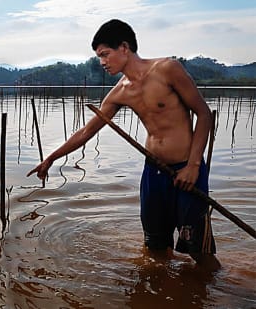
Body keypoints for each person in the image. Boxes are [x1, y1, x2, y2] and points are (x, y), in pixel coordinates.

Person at [27, 19, 220, 270]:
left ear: (124, 48)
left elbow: (203, 114)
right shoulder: (120, 92)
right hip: (154, 173)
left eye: (105, 54)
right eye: (99, 57)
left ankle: (223, 293)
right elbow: (87, 131)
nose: (102, 62)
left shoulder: (167, 69)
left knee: (199, 252)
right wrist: (51, 158)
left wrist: (194, 165)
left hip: (187, 169)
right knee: (155, 248)